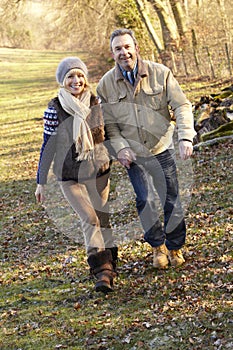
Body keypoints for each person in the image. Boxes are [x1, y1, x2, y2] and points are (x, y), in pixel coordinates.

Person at [97, 28, 196, 269]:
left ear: (136, 48)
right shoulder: (106, 85)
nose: (124, 52)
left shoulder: (160, 73)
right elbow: (109, 125)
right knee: (145, 199)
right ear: (112, 54)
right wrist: (120, 149)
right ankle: (157, 247)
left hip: (161, 147)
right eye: (118, 49)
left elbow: (181, 105)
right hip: (133, 153)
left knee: (170, 198)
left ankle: (175, 247)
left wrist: (185, 137)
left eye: (127, 47)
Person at [35, 57, 117, 293]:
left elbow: (109, 133)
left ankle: (110, 263)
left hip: (98, 170)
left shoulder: (97, 102)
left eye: (79, 75)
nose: (76, 80)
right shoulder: (54, 109)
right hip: (68, 174)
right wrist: (41, 182)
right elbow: (48, 146)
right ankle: (102, 271)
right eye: (70, 76)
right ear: (62, 81)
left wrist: (122, 153)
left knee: (102, 218)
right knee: (89, 218)